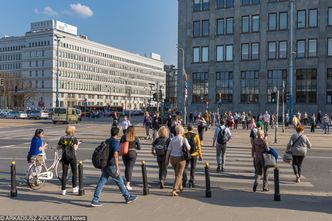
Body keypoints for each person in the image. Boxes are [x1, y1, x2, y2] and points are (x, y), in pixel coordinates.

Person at [91, 127, 137, 207]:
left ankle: (95, 199)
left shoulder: (107, 141)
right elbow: (115, 155)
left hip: (105, 165)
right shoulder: (115, 142)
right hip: (112, 165)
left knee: (101, 182)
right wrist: (117, 167)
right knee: (120, 181)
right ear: (117, 134)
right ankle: (127, 197)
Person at [166, 125, 191, 196]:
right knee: (179, 175)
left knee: (177, 174)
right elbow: (188, 148)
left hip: (172, 158)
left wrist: (166, 159)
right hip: (180, 158)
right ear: (181, 131)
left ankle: (180, 187)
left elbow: (168, 150)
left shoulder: (172, 139)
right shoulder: (183, 139)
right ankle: (174, 190)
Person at [57, 125, 81, 195]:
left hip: (64, 157)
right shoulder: (74, 138)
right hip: (72, 157)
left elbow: (58, 147)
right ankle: (74, 188)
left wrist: (64, 146)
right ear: (73, 131)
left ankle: (63, 190)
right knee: (74, 172)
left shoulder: (62, 138)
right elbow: (75, 148)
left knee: (64, 174)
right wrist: (78, 144)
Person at [120, 126, 141, 190]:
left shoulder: (124, 137)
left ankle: (126, 182)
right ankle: (128, 183)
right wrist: (134, 146)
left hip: (125, 153)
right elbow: (139, 148)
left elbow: (120, 144)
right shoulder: (136, 138)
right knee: (130, 168)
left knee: (127, 167)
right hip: (132, 153)